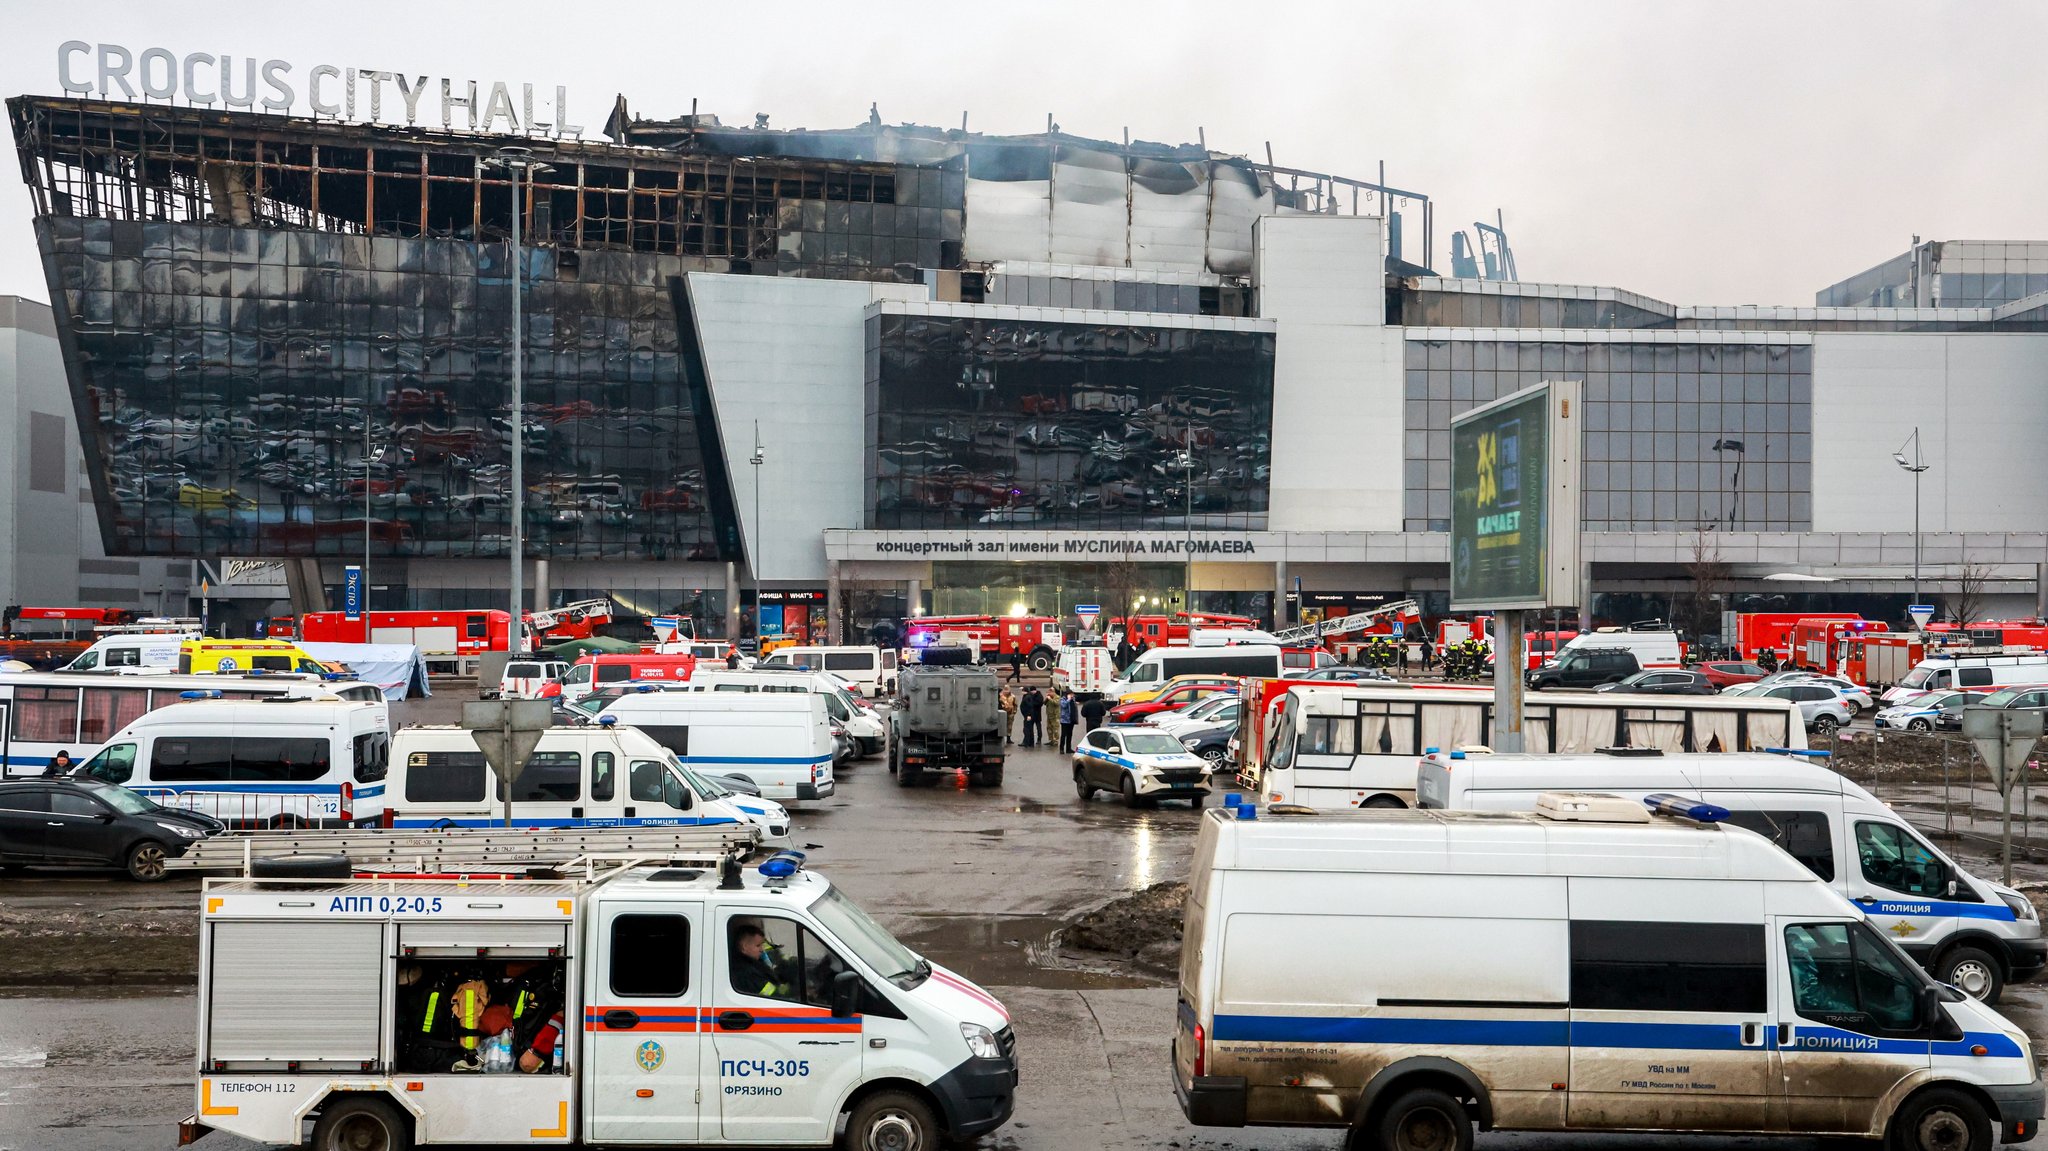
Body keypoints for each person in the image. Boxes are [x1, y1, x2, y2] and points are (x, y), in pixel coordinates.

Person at [730, 923, 791, 999]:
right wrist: (793, 993)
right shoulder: (746, 973)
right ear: (744, 947)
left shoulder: (754, 963)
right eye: (758, 945)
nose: (762, 949)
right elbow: (773, 996)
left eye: (762, 945)